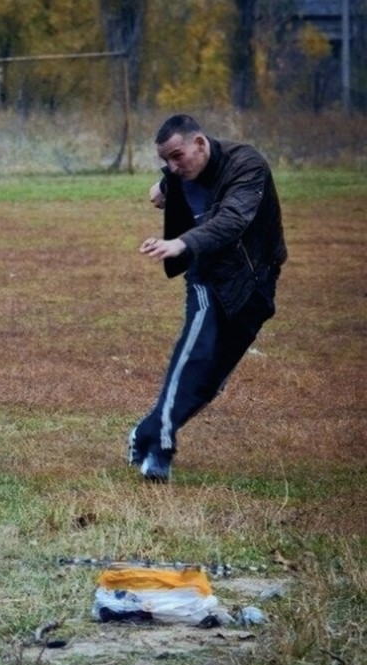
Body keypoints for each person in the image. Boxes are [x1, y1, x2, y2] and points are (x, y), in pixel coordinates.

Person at [129, 114, 287, 482]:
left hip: (255, 283)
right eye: (165, 161)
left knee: (209, 380)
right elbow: (172, 184)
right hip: (206, 277)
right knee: (194, 354)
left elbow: (232, 219)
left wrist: (181, 241)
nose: (172, 165)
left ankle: (145, 432)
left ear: (200, 143)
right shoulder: (181, 172)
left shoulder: (248, 165)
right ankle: (161, 450)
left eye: (177, 156)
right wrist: (165, 184)